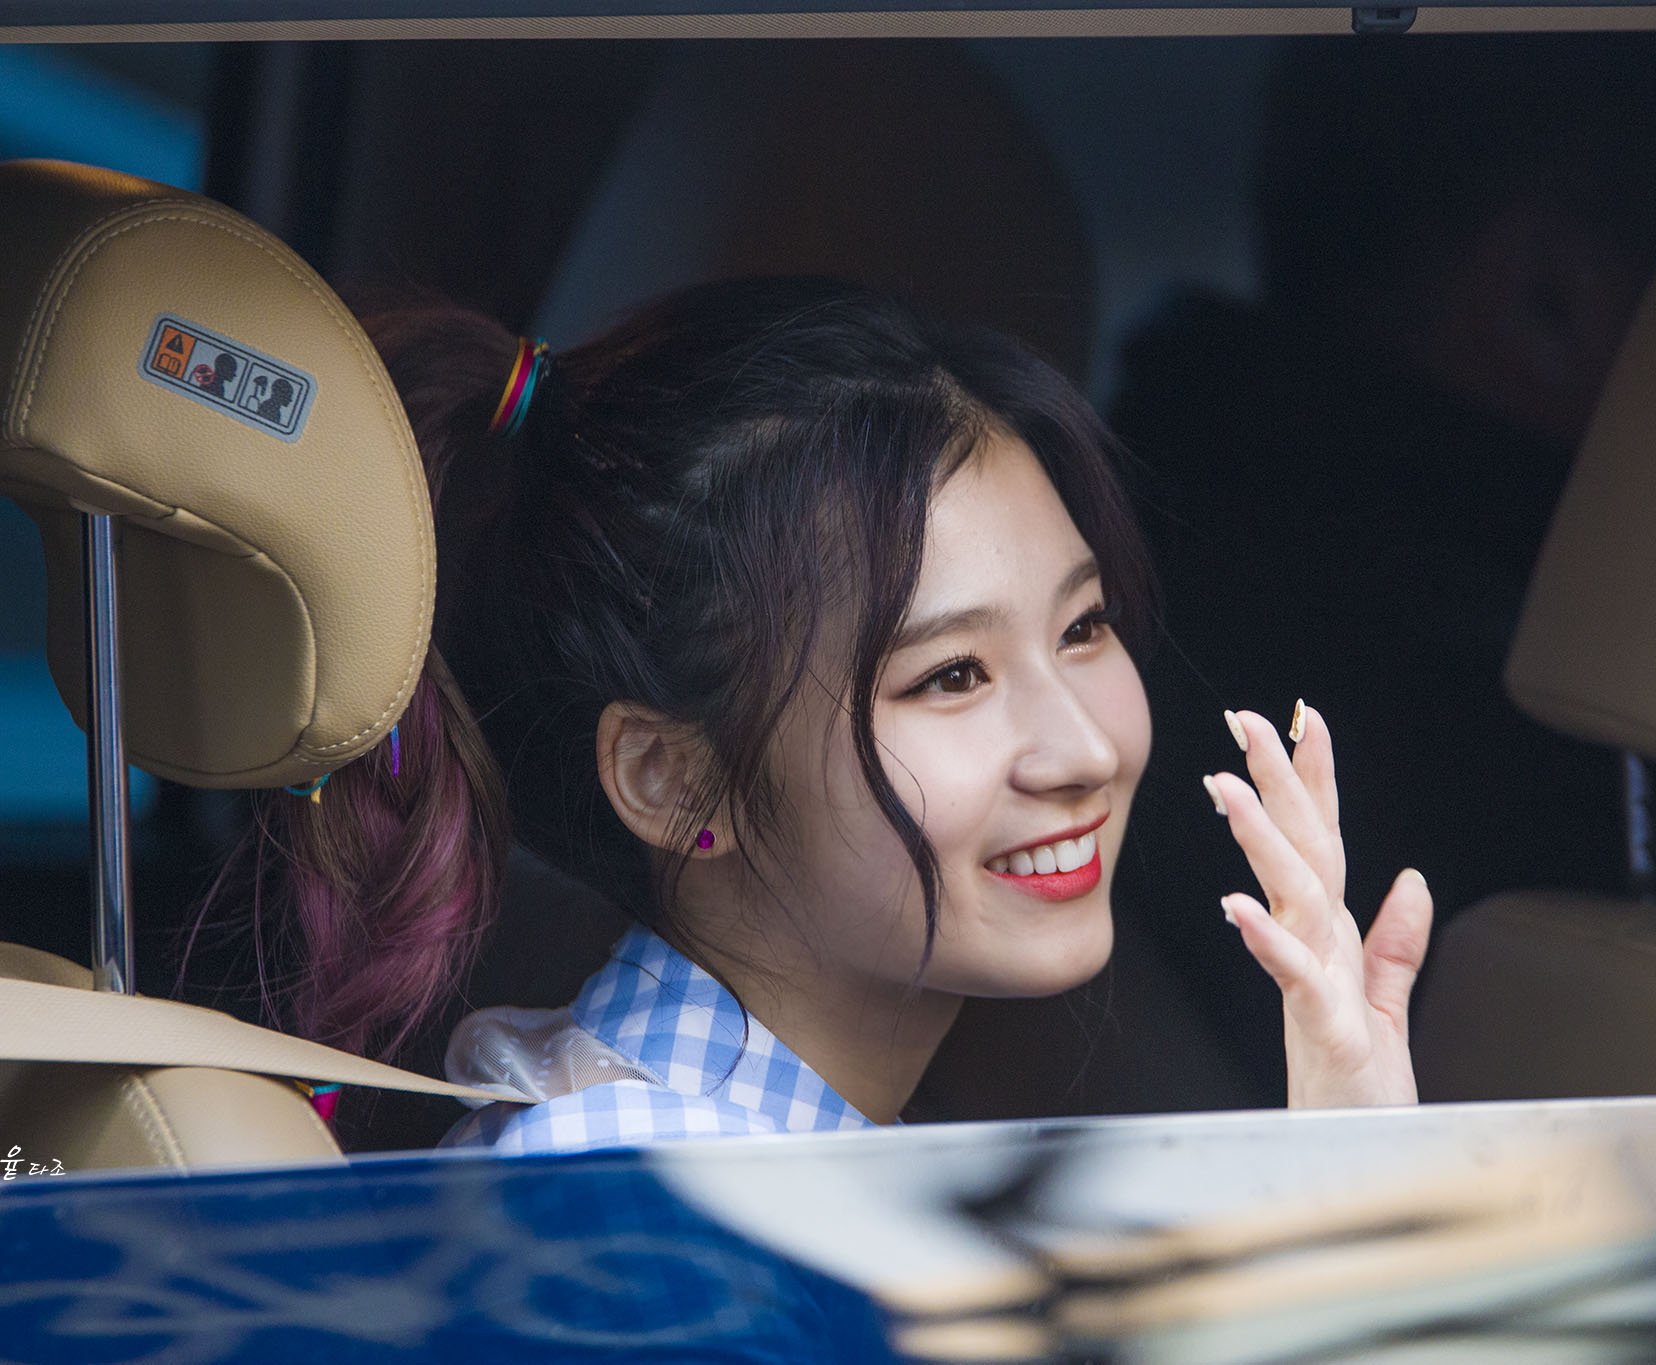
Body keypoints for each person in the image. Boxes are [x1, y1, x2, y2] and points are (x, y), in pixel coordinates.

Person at [216, 277, 1433, 1152]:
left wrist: (1352, 1161)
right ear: (671, 779)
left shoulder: (752, 1154)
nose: (1083, 749)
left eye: (1082, 627)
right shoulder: (646, 1205)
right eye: (950, 676)